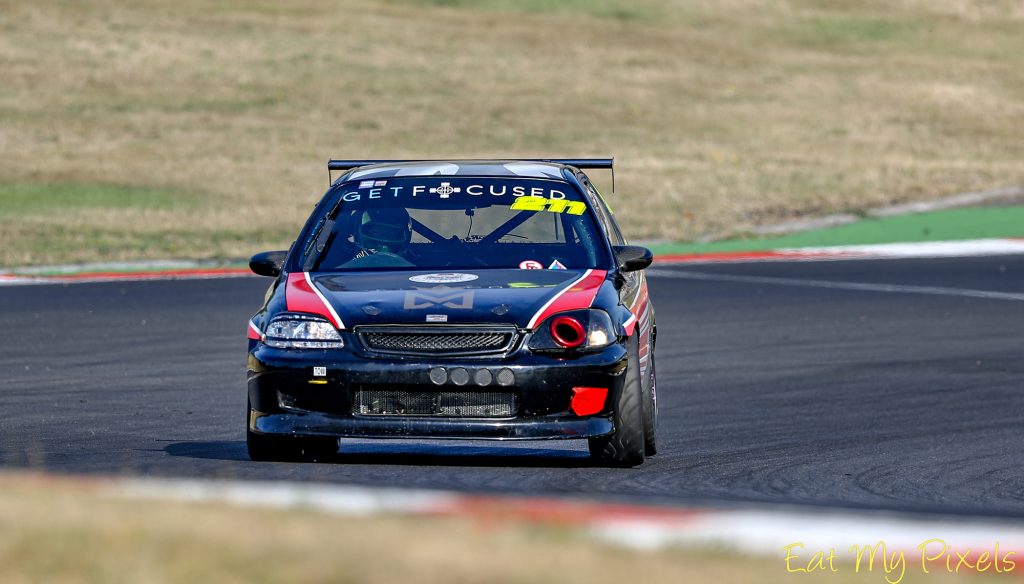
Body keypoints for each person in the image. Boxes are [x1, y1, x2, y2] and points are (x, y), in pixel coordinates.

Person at [341, 207, 415, 268]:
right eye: (375, 233)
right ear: (358, 233)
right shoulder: (337, 260)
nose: (383, 240)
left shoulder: (420, 269)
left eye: (391, 235)